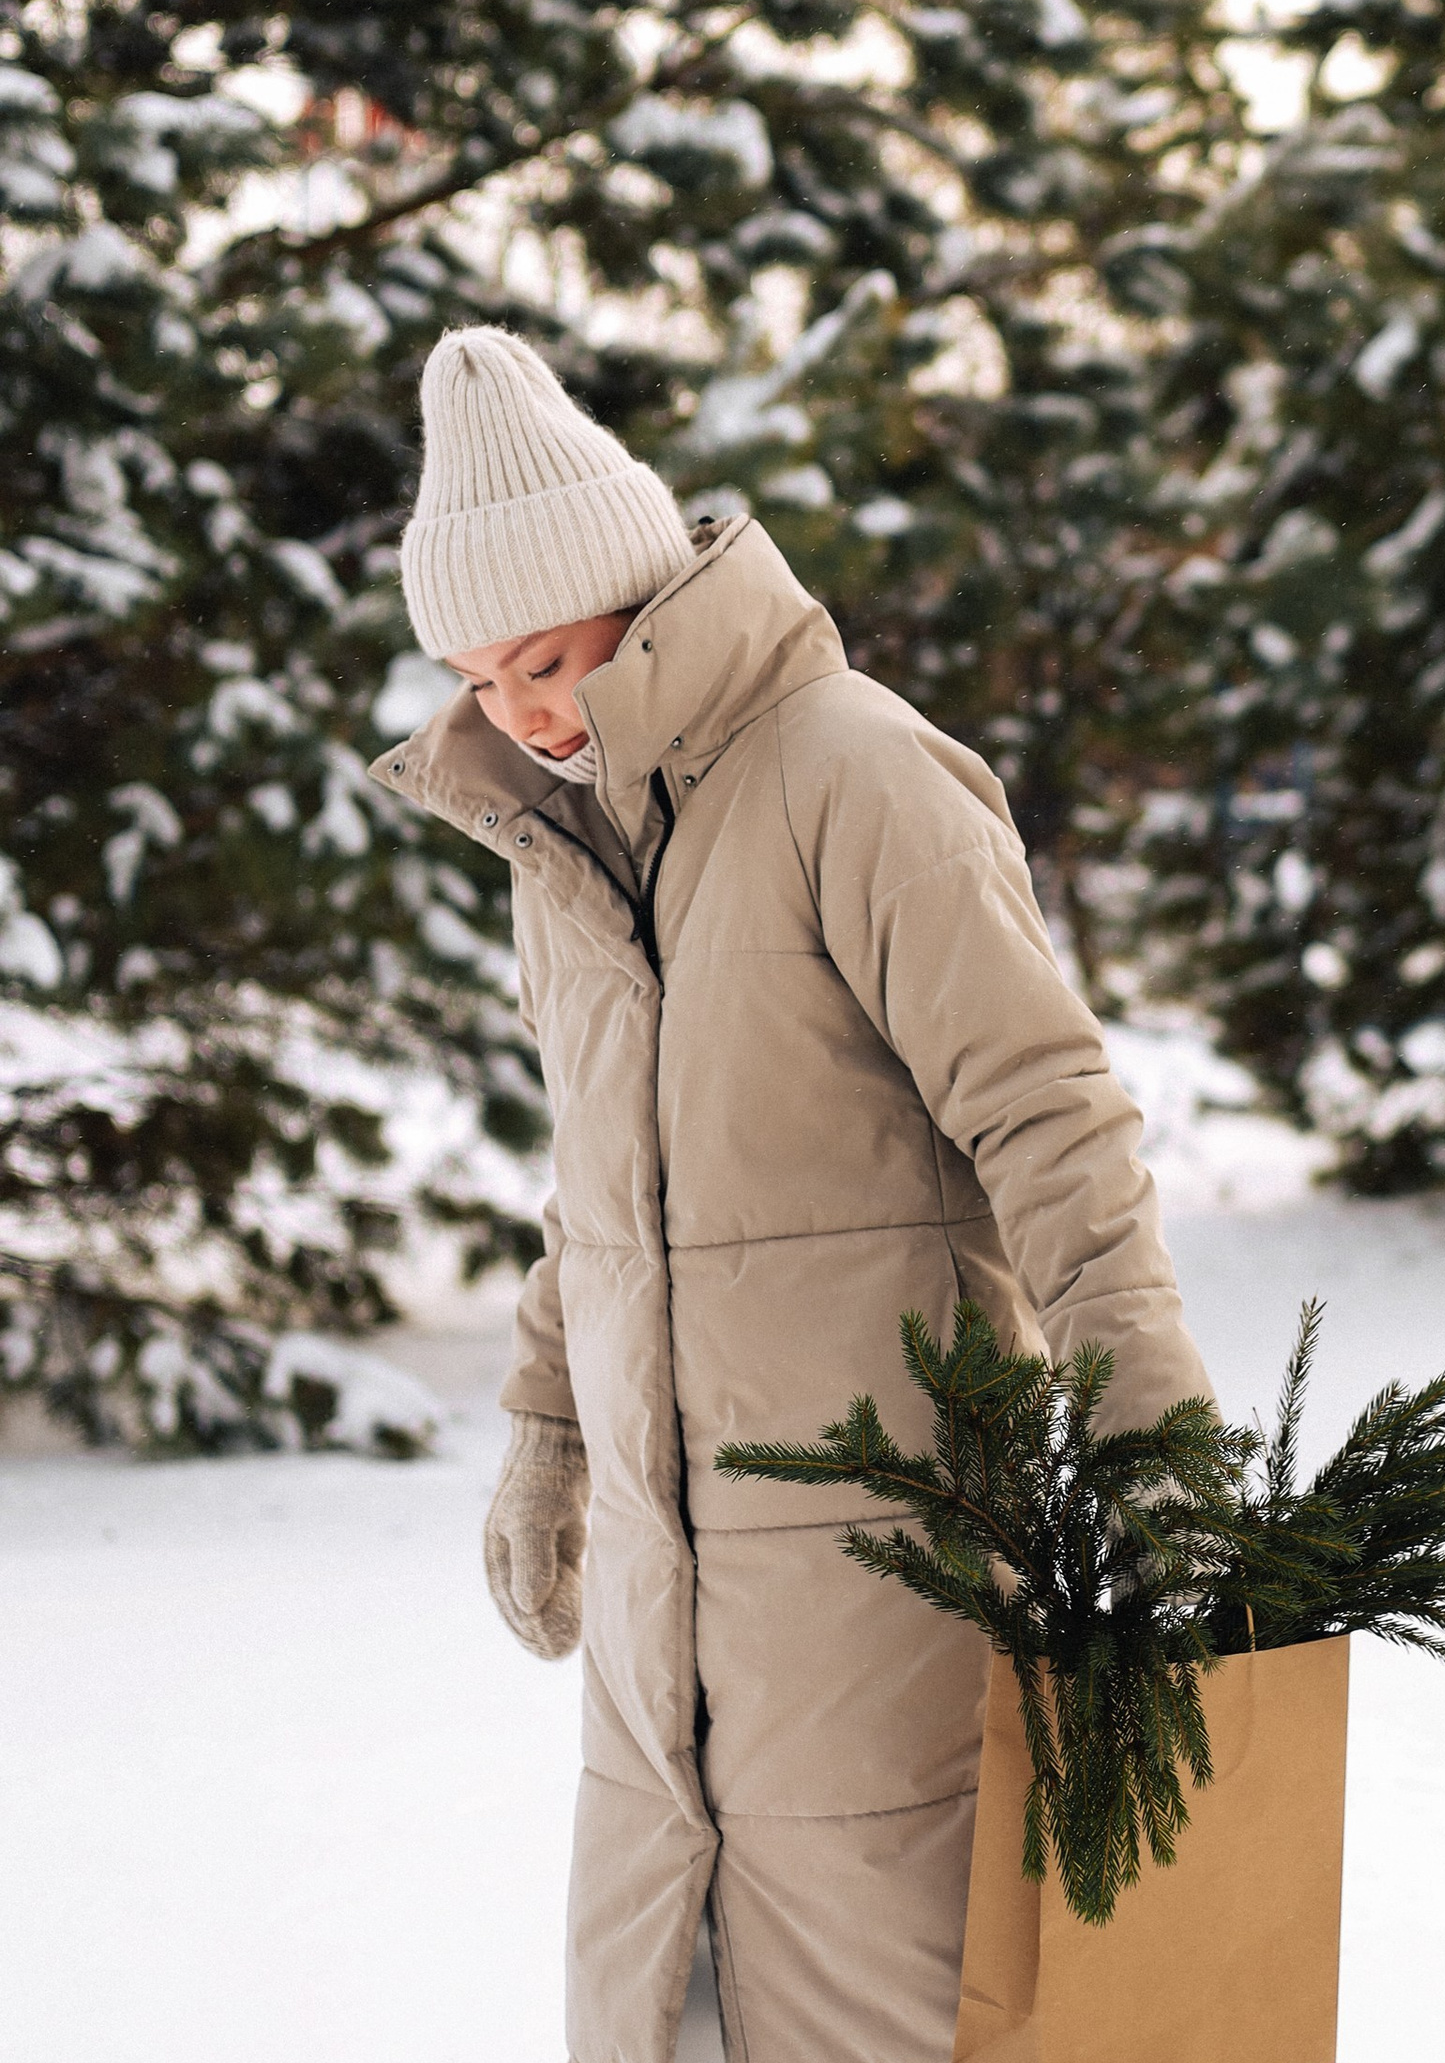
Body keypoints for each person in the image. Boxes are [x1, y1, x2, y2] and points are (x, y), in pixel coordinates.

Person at [372, 326, 1214, 2063]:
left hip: (881, 1570)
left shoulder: (858, 774)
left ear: (644, 596)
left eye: (543, 658)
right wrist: (548, 1427)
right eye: (477, 681)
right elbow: (596, 1189)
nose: (519, 717)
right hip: (663, 1601)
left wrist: (1151, 1440)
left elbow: (1050, 1121)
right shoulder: (566, 845)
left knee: (894, 2018)